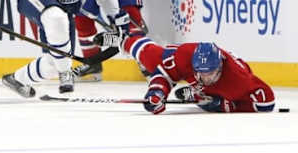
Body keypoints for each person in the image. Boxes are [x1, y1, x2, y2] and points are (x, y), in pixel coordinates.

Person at [98, 33, 275, 114]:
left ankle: (196, 95)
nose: (206, 78)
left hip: (225, 85)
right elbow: (164, 75)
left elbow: (267, 102)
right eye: (201, 73)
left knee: (208, 101)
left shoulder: (238, 80)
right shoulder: (186, 56)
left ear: (220, 67)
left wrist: (227, 106)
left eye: (211, 73)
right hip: (184, 60)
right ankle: (123, 40)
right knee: (150, 56)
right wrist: (157, 92)